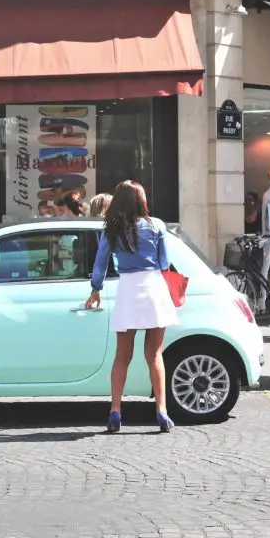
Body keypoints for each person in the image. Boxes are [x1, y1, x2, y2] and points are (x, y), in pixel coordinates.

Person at [86, 180, 178, 434]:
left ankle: (115, 409)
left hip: (127, 289)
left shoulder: (112, 229)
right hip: (153, 287)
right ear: (141, 201)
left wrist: (96, 289)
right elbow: (165, 263)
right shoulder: (156, 225)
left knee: (122, 356)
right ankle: (162, 410)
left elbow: (100, 262)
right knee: (154, 354)